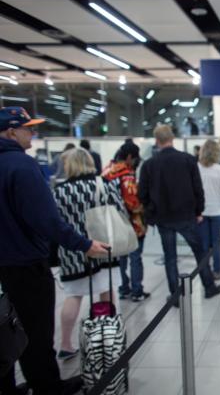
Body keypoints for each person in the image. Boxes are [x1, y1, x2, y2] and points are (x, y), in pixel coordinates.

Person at [0, 106, 107, 395]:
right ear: (11, 131)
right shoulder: (21, 165)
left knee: (2, 334)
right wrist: (83, 244)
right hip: (25, 266)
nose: (32, 133)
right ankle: (47, 387)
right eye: (27, 128)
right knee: (36, 333)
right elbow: (46, 219)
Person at [53, 148, 125, 360]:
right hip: (103, 248)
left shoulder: (59, 191)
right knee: (106, 290)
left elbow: (54, 223)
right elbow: (119, 211)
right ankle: (107, 339)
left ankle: (65, 344)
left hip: (72, 251)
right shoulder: (103, 184)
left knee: (73, 296)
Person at [138, 124, 220, 301]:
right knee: (200, 252)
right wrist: (199, 211)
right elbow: (198, 188)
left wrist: (152, 211)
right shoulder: (188, 160)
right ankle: (209, 286)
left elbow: (142, 194)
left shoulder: (149, 165)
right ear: (172, 138)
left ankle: (176, 295)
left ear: (157, 141)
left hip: (163, 218)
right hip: (187, 216)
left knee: (170, 257)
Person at [104, 141, 150, 302]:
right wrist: (144, 208)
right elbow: (132, 203)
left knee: (120, 258)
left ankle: (123, 288)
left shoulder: (107, 170)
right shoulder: (127, 174)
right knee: (135, 257)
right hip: (131, 224)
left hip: (113, 222)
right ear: (130, 157)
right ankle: (137, 291)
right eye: (135, 158)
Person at [197, 140, 220, 280]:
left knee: (204, 245)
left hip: (202, 212)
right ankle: (218, 271)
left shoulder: (196, 168)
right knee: (218, 244)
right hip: (219, 211)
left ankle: (206, 271)